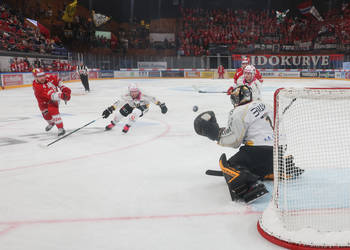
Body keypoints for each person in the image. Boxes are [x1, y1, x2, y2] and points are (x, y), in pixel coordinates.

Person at [194, 85, 273, 203]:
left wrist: (216, 135)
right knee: (256, 160)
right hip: (278, 151)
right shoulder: (266, 105)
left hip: (259, 152)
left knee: (228, 165)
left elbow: (235, 140)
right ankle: (274, 170)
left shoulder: (239, 111)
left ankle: (248, 187)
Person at [101, 83, 168, 133]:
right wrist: (110, 109)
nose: (134, 94)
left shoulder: (144, 94)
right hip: (131, 105)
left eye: (135, 92)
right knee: (119, 114)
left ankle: (127, 126)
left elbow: (153, 99)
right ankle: (113, 124)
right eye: (132, 92)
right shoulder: (126, 95)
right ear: (129, 92)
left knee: (136, 112)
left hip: (143, 106)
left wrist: (161, 105)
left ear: (138, 91)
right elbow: (119, 102)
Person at [32, 68, 71, 136]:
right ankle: (51, 123)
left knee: (53, 110)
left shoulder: (49, 77)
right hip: (43, 101)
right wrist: (62, 95)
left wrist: (63, 87)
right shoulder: (37, 87)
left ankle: (60, 129)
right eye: (39, 76)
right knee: (46, 116)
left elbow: (57, 80)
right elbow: (50, 95)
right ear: (35, 77)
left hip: (53, 99)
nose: (42, 78)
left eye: (43, 75)